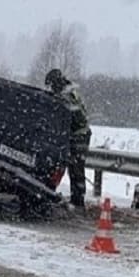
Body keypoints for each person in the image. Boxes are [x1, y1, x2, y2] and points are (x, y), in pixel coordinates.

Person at [45, 68, 91, 208]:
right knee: (73, 166)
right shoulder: (69, 93)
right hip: (77, 134)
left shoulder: (66, 96)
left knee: (76, 167)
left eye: (51, 85)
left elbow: (68, 118)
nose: (51, 88)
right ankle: (76, 197)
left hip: (79, 136)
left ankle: (78, 200)